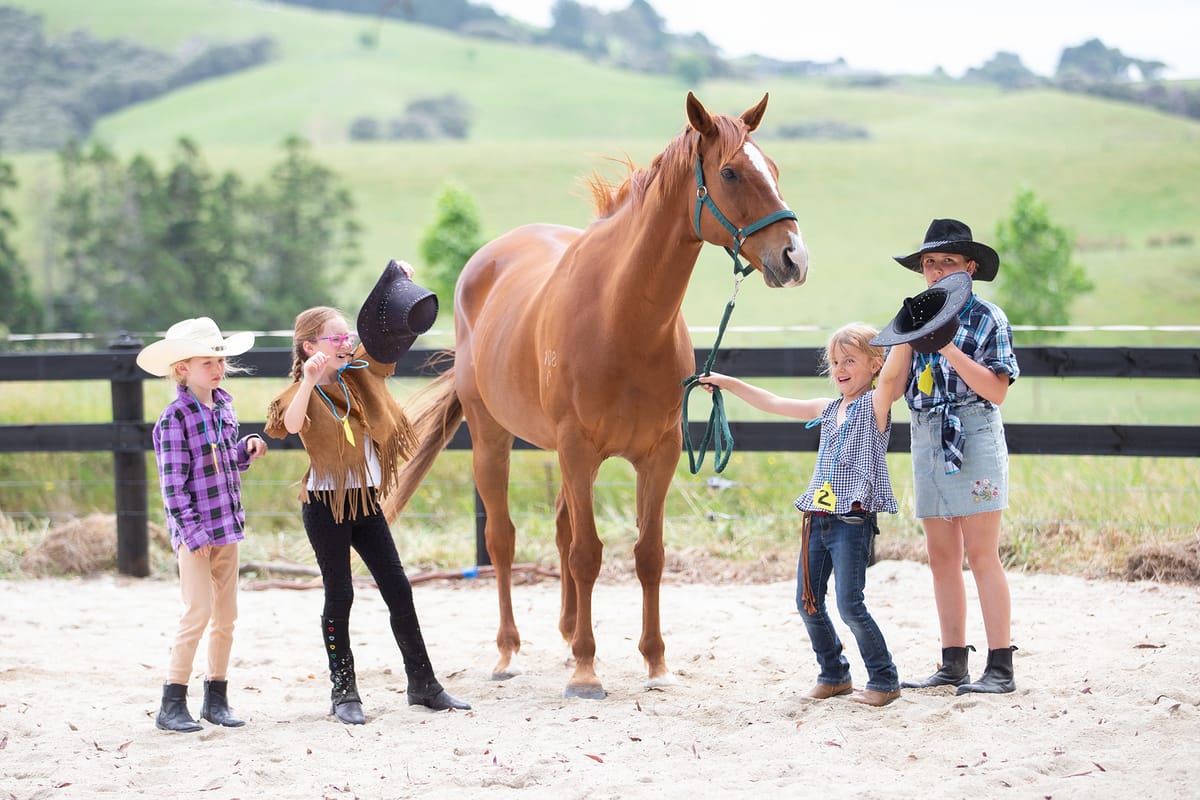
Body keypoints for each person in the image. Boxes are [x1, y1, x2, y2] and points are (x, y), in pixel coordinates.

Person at [264, 259, 469, 724]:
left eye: (344, 336)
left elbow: (386, 338)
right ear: (309, 346)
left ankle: (424, 684)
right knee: (340, 597)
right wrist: (310, 381)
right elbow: (290, 425)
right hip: (326, 505)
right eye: (334, 338)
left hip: (365, 503)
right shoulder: (301, 390)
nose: (344, 343)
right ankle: (344, 692)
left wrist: (397, 287)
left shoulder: (361, 376)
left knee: (398, 588)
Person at [699, 323, 902, 707]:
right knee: (807, 601)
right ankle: (834, 674)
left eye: (850, 361)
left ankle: (884, 678)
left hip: (852, 521)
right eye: (836, 361)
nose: (840, 368)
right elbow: (773, 402)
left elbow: (894, 375)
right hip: (816, 517)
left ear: (875, 365)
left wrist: (904, 338)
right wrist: (728, 382)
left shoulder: (876, 405)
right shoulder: (826, 409)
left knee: (850, 604)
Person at [877, 218, 1020, 695]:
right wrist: (906, 336)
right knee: (942, 557)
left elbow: (996, 391)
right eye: (929, 264)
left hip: (972, 431)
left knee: (981, 554)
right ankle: (952, 661)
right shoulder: (918, 316)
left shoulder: (988, 318)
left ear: (970, 267)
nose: (936, 271)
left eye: (947, 262)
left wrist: (947, 345)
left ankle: (1001, 665)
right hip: (926, 433)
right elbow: (893, 388)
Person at [137, 317, 268, 733]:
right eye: (207, 362)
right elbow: (173, 487)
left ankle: (217, 696)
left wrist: (245, 450)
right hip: (196, 535)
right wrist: (193, 534)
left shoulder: (224, 408)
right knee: (197, 613)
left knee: (226, 616)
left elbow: (225, 460)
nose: (217, 368)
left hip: (227, 527)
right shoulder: (174, 420)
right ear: (182, 369)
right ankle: (172, 701)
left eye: (219, 360)